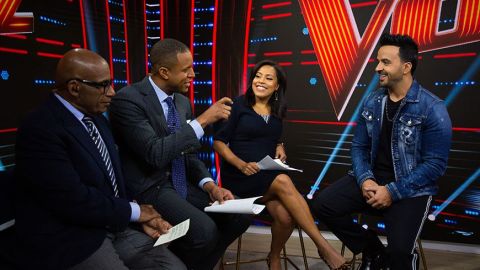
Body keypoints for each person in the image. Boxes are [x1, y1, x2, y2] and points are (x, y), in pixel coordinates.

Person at [14, 48, 186, 270]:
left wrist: (137, 217)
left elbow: (112, 181)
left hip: (112, 225)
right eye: (103, 85)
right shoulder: (40, 128)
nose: (112, 92)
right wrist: (136, 212)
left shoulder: (96, 120)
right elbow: (73, 200)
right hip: (71, 236)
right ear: (75, 87)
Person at [309, 33, 452, 270]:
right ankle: (373, 250)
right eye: (378, 61)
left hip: (411, 190)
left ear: (406, 67)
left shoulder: (433, 108)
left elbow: (435, 165)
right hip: (372, 181)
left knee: (399, 254)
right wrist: (366, 180)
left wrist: (392, 191)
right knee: (323, 204)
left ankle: (397, 257)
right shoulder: (373, 101)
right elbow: (359, 147)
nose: (378, 68)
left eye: (385, 62)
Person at [108, 38, 251, 270]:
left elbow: (189, 154)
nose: (193, 74)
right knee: (204, 232)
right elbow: (154, 153)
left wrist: (210, 186)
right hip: (150, 186)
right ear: (164, 72)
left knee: (240, 216)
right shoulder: (128, 99)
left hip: (181, 182)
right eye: (186, 70)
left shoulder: (182, 102)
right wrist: (202, 121)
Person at [213, 60, 350, 270]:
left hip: (266, 177)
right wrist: (241, 165)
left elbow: (268, 134)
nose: (261, 81)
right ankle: (324, 247)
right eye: (258, 76)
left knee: (286, 218)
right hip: (241, 178)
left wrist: (280, 144)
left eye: (268, 78)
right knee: (284, 180)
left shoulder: (277, 111)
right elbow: (219, 142)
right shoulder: (238, 105)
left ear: (277, 86)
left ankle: (274, 257)